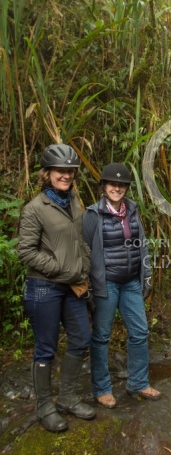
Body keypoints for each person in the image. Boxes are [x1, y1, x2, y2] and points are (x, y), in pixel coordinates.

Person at [18, 143, 96, 432]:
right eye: (60, 170)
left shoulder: (74, 202)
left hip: (73, 286)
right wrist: (65, 271)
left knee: (80, 339)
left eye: (70, 171)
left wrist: (83, 267)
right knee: (46, 347)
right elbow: (26, 252)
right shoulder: (35, 209)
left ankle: (67, 398)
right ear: (47, 172)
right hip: (43, 286)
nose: (65, 175)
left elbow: (80, 241)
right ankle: (44, 406)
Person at [83, 163, 160, 409]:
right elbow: (85, 252)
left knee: (139, 332)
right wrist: (90, 288)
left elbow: (143, 245)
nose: (117, 188)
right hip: (106, 284)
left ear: (127, 187)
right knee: (102, 336)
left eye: (122, 184)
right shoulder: (92, 214)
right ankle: (102, 388)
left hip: (130, 283)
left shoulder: (133, 211)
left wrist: (146, 276)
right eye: (112, 184)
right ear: (104, 187)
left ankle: (138, 382)